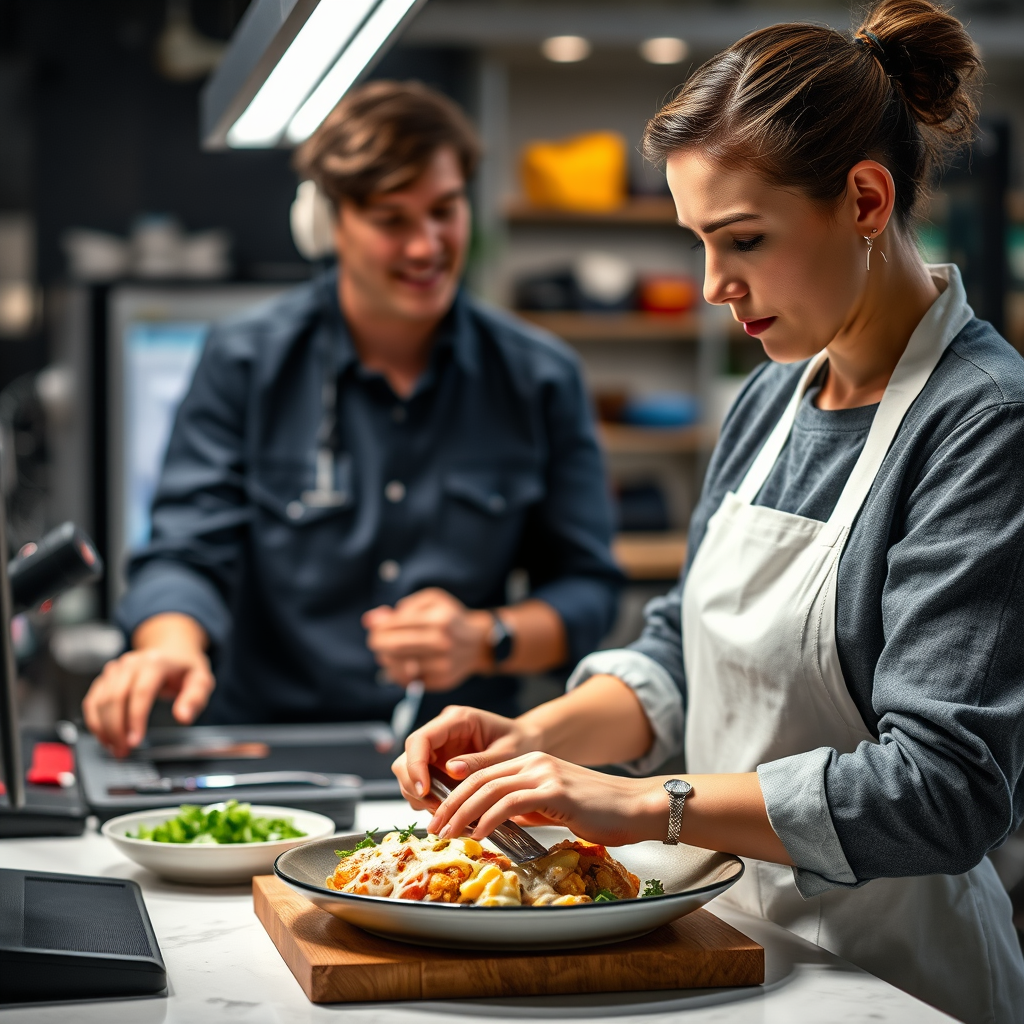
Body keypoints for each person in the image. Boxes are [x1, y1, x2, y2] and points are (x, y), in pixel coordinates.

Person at [392, 4, 1024, 1021]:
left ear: (865, 198)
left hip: (896, 978)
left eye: (742, 240)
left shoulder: (983, 422)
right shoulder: (772, 394)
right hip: (734, 946)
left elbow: (944, 789)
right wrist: (533, 745)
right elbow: (682, 653)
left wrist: (648, 803)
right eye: (697, 241)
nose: (710, 286)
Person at [83, 81, 622, 757]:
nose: (427, 246)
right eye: (392, 220)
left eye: (444, 211)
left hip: (463, 764)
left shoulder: (541, 375)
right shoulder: (246, 360)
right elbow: (186, 549)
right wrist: (169, 647)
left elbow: (588, 588)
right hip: (269, 756)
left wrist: (486, 637)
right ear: (326, 224)